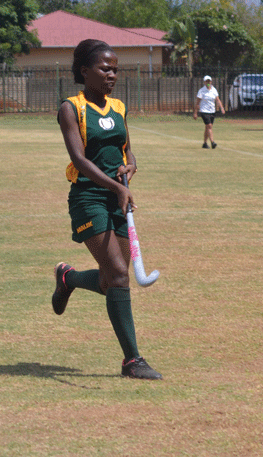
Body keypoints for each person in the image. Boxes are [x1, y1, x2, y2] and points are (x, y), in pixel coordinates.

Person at [54, 39, 162, 380]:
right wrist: (116, 187)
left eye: (115, 69)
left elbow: (127, 150)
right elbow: (79, 160)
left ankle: (68, 278)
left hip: (118, 197)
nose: (112, 74)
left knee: (110, 280)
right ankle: (132, 360)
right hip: (88, 197)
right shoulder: (71, 108)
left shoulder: (118, 107)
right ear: (85, 71)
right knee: (118, 274)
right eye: (105, 69)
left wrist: (131, 167)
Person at [193, 75, 225, 148]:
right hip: (204, 111)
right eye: (206, 81)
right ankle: (212, 142)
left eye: (209, 81)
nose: (208, 82)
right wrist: (195, 113)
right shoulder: (201, 91)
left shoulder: (214, 90)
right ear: (204, 82)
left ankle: (204, 143)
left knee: (208, 128)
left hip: (212, 111)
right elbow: (197, 103)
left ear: (211, 81)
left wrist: (222, 108)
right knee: (209, 126)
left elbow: (217, 100)